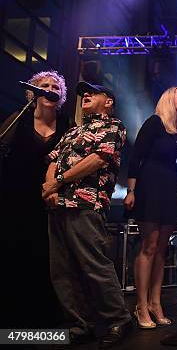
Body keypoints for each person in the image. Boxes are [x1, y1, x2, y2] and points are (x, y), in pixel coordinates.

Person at [42, 81, 132, 347]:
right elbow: (53, 161)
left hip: (87, 203)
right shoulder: (74, 130)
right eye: (83, 93)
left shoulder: (113, 127)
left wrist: (57, 182)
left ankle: (118, 319)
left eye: (93, 92)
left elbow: (98, 159)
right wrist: (50, 189)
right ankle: (80, 324)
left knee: (93, 264)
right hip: (58, 205)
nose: (86, 95)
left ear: (109, 101)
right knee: (62, 269)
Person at [1, 71, 71, 328]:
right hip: (15, 199)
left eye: (55, 87)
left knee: (50, 258)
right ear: (34, 92)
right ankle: (15, 322)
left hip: (51, 200)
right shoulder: (17, 120)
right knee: (16, 254)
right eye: (45, 85)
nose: (50, 89)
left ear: (60, 96)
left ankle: (50, 321)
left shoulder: (67, 127)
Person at [123, 87, 177, 328]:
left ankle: (156, 302)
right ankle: (140, 305)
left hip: (170, 186)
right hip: (150, 184)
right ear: (168, 98)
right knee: (149, 245)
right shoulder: (154, 123)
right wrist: (131, 190)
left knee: (163, 248)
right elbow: (136, 156)